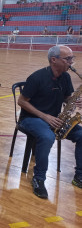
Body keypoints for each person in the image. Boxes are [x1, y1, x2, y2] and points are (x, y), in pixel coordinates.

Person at [18, 45, 82, 199]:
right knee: (47, 137)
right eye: (68, 59)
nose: (71, 62)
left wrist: (73, 101)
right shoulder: (37, 77)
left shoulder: (65, 77)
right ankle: (39, 178)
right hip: (30, 119)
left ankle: (79, 176)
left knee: (81, 134)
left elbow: (66, 97)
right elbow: (22, 101)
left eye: (72, 58)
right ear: (54, 60)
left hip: (55, 119)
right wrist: (44, 116)